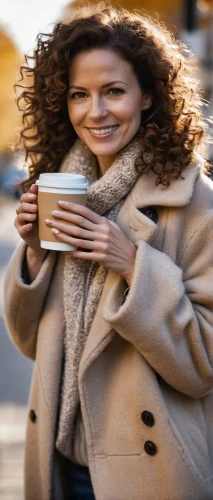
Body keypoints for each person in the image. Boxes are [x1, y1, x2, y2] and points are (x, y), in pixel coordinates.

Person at [4, 3, 213, 499]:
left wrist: (132, 264)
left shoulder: (195, 205)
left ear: (147, 95)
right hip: (62, 463)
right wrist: (34, 256)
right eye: (79, 95)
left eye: (114, 91)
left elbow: (204, 365)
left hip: (149, 472)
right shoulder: (67, 189)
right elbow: (31, 345)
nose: (95, 113)